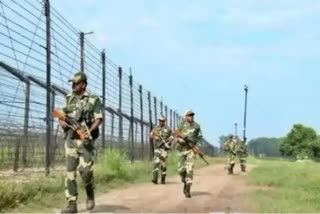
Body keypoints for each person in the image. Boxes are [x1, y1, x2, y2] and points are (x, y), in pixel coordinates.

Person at [59, 72, 103, 213]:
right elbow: (61, 115)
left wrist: (88, 132)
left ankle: (90, 194)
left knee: (86, 172)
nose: (73, 85)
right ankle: (72, 205)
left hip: (85, 142)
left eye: (76, 83)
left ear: (83, 84)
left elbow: (98, 119)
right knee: (70, 173)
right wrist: (62, 122)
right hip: (71, 140)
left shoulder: (93, 99)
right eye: (72, 83)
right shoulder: (69, 98)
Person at [175, 110, 202, 198]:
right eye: (189, 115)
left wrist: (197, 147)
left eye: (192, 115)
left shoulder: (197, 126)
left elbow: (200, 138)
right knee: (181, 170)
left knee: (189, 169)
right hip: (182, 150)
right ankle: (184, 180)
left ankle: (187, 188)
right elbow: (177, 133)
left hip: (191, 150)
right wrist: (181, 139)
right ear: (186, 116)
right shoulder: (182, 124)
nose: (191, 116)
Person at [150, 116, 173, 184]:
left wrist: (168, 142)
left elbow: (171, 137)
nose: (161, 122)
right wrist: (155, 137)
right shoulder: (156, 128)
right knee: (156, 163)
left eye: (162, 120)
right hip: (157, 148)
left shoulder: (168, 129)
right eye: (160, 120)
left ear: (164, 121)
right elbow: (151, 135)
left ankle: (163, 179)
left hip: (164, 149)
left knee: (163, 165)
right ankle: (155, 179)